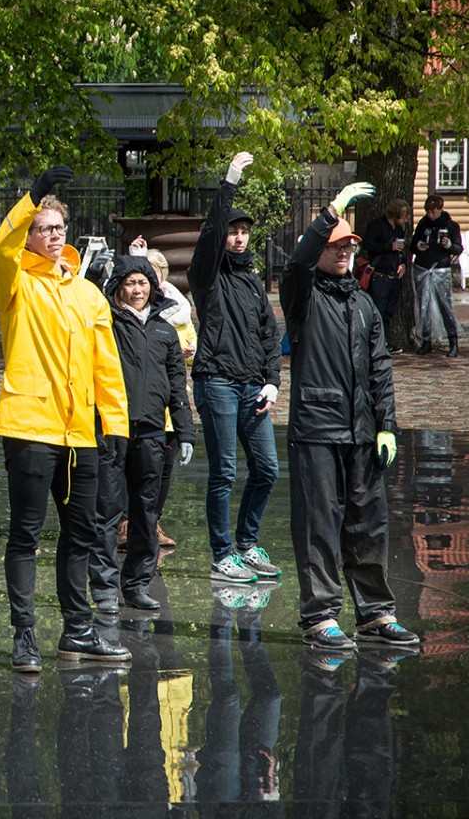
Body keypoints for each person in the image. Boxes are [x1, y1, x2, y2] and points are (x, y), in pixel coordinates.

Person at [0, 166, 132, 672]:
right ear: (30, 233)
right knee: (26, 535)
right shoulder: (15, 281)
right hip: (29, 427)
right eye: (44, 228)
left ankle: (78, 630)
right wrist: (31, 195)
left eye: (58, 228)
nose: (54, 235)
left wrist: (115, 426)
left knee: (83, 535)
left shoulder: (88, 293)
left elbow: (106, 366)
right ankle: (24, 635)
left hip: (80, 433)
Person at [280, 183, 419, 652]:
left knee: (368, 524)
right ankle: (320, 616)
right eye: (336, 245)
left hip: (361, 434)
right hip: (317, 431)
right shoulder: (302, 296)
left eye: (349, 245)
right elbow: (297, 262)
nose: (344, 252)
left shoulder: (363, 306)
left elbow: (380, 367)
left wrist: (387, 425)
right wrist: (331, 213)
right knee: (319, 525)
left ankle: (376, 614)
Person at [186, 151, 283, 586]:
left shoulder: (251, 280)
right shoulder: (207, 274)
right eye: (233, 232)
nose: (239, 238)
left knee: (266, 469)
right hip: (217, 381)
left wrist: (272, 382)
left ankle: (247, 544)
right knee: (224, 470)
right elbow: (210, 231)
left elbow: (269, 334)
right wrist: (230, 181)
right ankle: (222, 554)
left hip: (251, 388)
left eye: (245, 232)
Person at [88, 255, 194, 614]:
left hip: (152, 431)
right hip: (112, 430)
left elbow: (177, 384)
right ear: (119, 286)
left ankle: (136, 584)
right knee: (107, 511)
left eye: (143, 283)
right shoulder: (107, 323)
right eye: (130, 283)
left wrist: (186, 432)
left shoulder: (164, 330)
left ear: (153, 287)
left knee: (146, 512)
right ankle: (103, 589)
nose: (137, 290)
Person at [144, 244, 195, 551]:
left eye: (155, 272)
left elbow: (191, 350)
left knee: (165, 470)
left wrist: (189, 351)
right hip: (142, 407)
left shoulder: (179, 310)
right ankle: (128, 522)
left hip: (170, 409)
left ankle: (153, 522)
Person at [409, 193, 463, 357]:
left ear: (440, 209)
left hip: (440, 270)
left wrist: (449, 245)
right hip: (423, 268)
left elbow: (458, 249)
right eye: (428, 211)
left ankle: (453, 342)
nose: (430, 215)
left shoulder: (451, 225)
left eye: (433, 211)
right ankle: (426, 341)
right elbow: (412, 246)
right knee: (423, 306)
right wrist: (418, 245)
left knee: (445, 306)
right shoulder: (423, 224)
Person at [360, 199, 409, 333]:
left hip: (394, 276)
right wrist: (389, 246)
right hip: (379, 276)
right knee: (378, 312)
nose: (406, 220)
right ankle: (376, 344)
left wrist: (402, 263)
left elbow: (400, 250)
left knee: (388, 314)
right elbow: (368, 245)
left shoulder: (399, 230)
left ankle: (384, 342)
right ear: (396, 214)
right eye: (404, 216)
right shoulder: (377, 226)